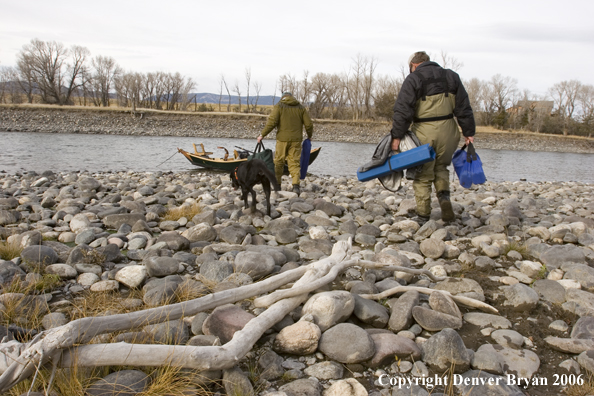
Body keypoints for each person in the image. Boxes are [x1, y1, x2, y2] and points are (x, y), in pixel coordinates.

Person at [391, 51, 475, 222]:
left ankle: (423, 215)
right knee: (442, 167)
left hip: (424, 131)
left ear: (414, 65)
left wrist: (396, 137)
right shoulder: (451, 76)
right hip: (449, 131)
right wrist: (468, 132)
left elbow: (403, 111)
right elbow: (463, 107)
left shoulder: (413, 79)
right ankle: (444, 199)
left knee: (423, 174)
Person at [257, 91, 313, 195]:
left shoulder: (279, 106)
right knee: (294, 162)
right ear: (292, 97)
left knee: (279, 162)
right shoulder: (300, 108)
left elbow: (272, 122)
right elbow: (309, 124)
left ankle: (277, 185)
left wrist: (262, 135)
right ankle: (296, 185)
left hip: (282, 140)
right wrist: (309, 136)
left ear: (283, 97)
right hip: (296, 140)